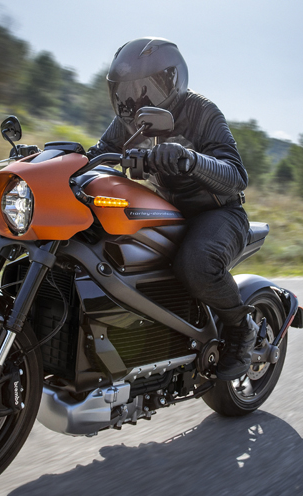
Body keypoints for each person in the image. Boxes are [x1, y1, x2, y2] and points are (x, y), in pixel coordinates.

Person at [87, 37, 256, 381]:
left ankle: (242, 329)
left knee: (196, 263)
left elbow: (237, 176)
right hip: (166, 211)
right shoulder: (129, 119)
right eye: (125, 92)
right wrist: (60, 157)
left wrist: (189, 159)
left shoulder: (201, 111)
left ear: (172, 81)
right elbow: (99, 152)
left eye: (146, 89)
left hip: (219, 213)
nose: (135, 100)